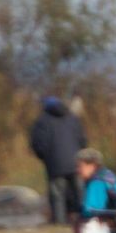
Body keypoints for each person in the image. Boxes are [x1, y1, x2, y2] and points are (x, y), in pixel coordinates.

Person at [29, 96, 87, 224]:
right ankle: (85, 220)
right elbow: (82, 140)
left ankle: (60, 224)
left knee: (58, 196)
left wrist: (45, 158)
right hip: (76, 163)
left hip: (55, 165)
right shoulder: (72, 118)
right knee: (80, 194)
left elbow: (38, 145)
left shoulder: (42, 121)